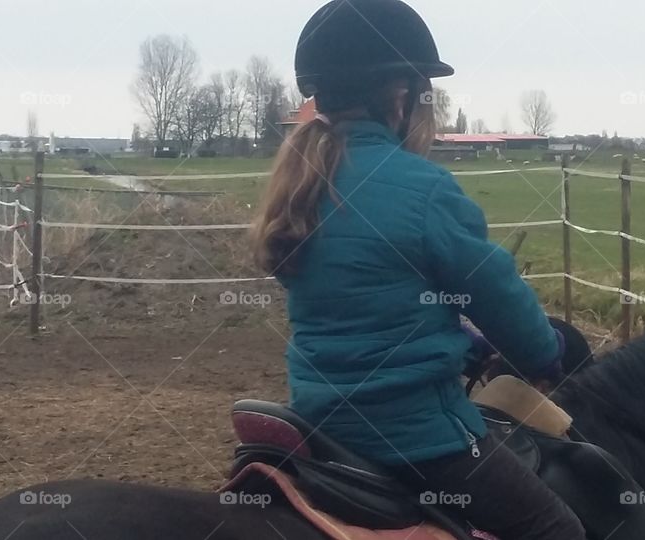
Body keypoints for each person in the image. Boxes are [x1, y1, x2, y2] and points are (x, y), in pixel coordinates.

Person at [251, 1, 585, 538]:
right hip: (415, 434)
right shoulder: (423, 188)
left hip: (319, 419)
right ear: (400, 95)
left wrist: (464, 340)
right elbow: (495, 290)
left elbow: (370, 305)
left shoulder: (304, 183)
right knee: (558, 529)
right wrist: (546, 352)